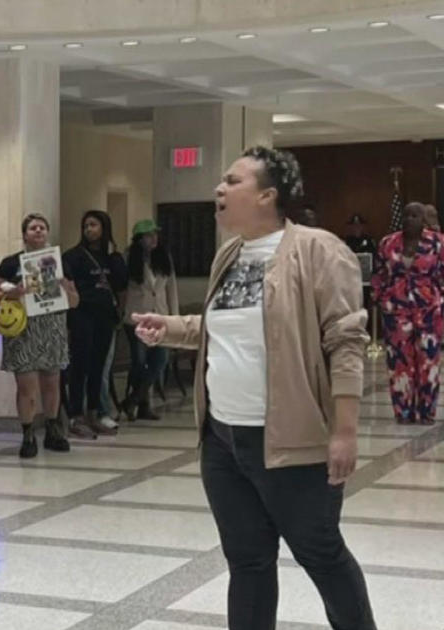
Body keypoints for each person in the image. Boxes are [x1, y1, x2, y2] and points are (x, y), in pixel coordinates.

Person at [135, 146, 375, 630]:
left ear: (268, 195)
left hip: (291, 442)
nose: (218, 189)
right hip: (223, 440)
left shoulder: (319, 250)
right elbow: (227, 327)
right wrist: (173, 327)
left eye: (232, 181)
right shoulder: (230, 253)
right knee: (247, 562)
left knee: (321, 555)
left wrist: (344, 432)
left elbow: (345, 342)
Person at [0, 213, 78, 458]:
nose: (38, 231)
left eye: (42, 227)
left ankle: (52, 429)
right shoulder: (10, 263)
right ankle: (28, 432)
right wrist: (15, 292)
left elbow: (74, 300)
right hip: (24, 329)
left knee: (52, 382)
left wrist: (64, 287)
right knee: (26, 386)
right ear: (25, 234)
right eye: (32, 228)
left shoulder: (60, 263)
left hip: (52, 326)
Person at [371, 202, 444, 425]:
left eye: (415, 215)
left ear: (423, 220)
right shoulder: (387, 242)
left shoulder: (438, 243)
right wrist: (380, 298)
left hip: (429, 309)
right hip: (396, 311)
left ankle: (426, 411)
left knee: (428, 361)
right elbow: (379, 274)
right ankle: (403, 411)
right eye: (406, 215)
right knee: (399, 363)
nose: (409, 219)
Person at [63, 210, 127, 438]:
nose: (89, 229)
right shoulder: (73, 256)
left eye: (94, 225)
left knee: (98, 366)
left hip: (105, 316)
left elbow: (121, 285)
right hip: (82, 315)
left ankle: (94, 412)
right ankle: (75, 415)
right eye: (86, 225)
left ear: (104, 228)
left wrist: (115, 257)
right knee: (80, 365)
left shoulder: (112, 257)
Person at [122, 219, 179, 421]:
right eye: (148, 235)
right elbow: (124, 290)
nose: (153, 239)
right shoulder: (129, 258)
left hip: (160, 316)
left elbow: (171, 290)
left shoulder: (164, 258)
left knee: (160, 360)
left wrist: (174, 318)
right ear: (139, 239)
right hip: (136, 317)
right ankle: (142, 404)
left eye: (155, 235)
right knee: (139, 362)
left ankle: (133, 399)